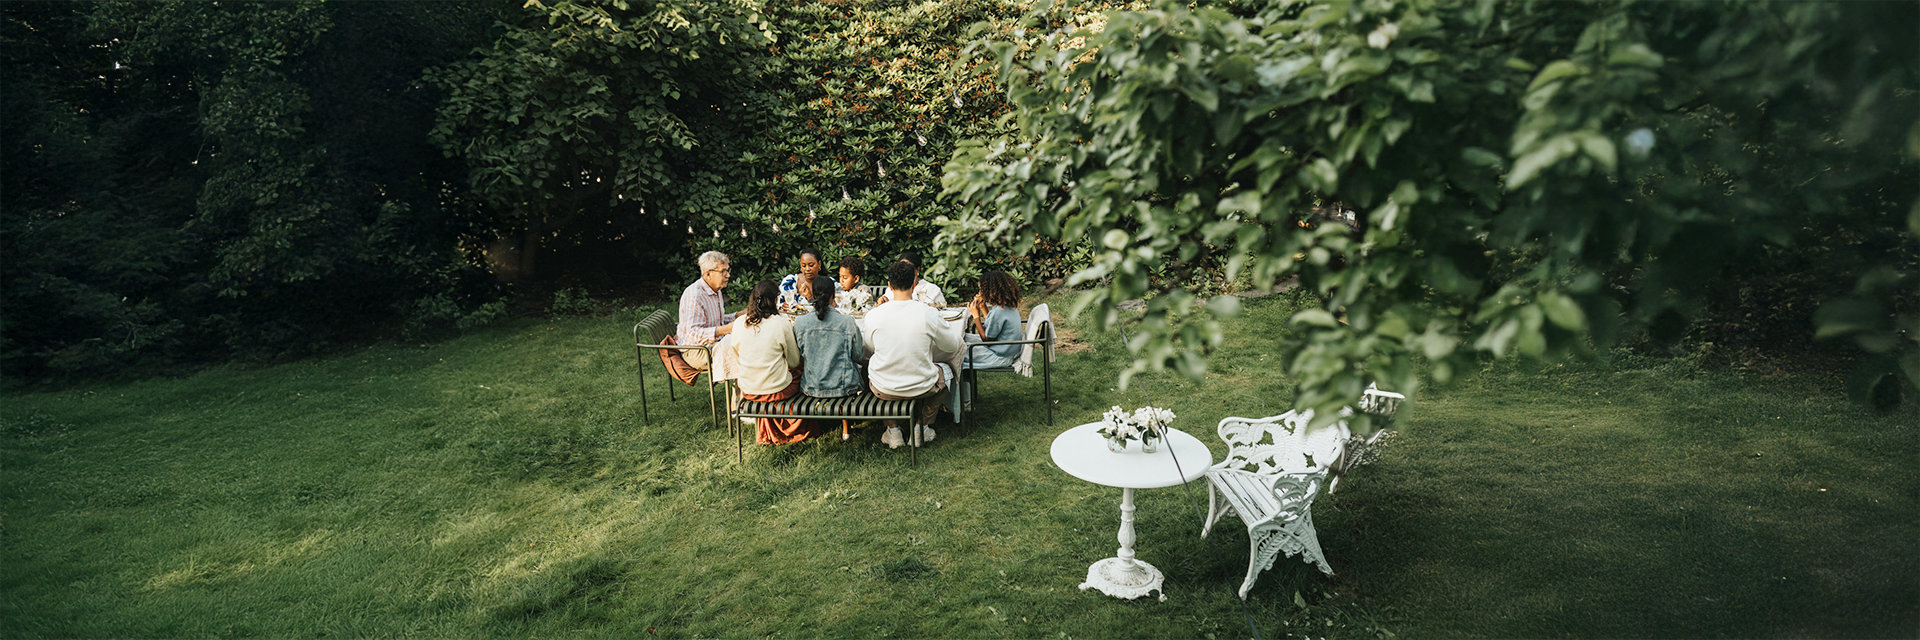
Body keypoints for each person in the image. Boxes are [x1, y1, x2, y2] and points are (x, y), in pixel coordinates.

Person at [863, 260, 960, 448]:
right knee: (947, 372)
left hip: (884, 387)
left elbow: (869, 347)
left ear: (889, 286)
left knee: (868, 369)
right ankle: (921, 428)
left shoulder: (874, 314)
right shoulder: (927, 313)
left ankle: (893, 430)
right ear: (914, 283)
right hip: (921, 386)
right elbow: (951, 346)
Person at [727, 280, 819, 445]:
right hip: (776, 389)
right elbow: (794, 361)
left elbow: (737, 356)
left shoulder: (739, 323)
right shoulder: (781, 323)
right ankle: (792, 427)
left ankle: (769, 429)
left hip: (748, 388)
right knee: (801, 372)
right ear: (776, 299)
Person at [676, 251, 737, 374]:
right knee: (742, 355)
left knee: (745, 346)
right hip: (695, 351)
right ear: (708, 274)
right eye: (723, 271)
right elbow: (693, 334)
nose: (728, 275)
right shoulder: (695, 296)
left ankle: (745, 393)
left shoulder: (715, 290)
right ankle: (744, 394)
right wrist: (727, 329)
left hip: (709, 345)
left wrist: (738, 315)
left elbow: (716, 320)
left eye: (728, 271)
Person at [963, 270, 1024, 370]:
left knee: (957, 351)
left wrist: (976, 316)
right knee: (962, 338)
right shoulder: (1007, 307)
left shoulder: (999, 311)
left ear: (990, 291)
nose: (979, 293)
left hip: (999, 356)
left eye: (981, 290)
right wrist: (983, 307)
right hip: (1004, 349)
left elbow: (987, 340)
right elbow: (994, 326)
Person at [875, 251, 944, 307]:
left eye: (909, 267)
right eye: (901, 267)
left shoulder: (933, 290)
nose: (904, 270)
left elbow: (943, 311)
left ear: (918, 270)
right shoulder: (892, 288)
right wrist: (882, 302)